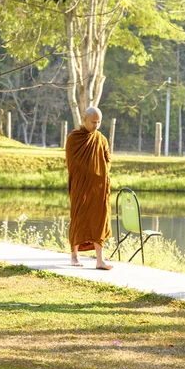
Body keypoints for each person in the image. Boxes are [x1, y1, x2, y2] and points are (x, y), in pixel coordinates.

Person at [65, 106, 113, 270]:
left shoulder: (101, 139)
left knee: (99, 220)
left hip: (99, 188)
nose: (96, 125)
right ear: (84, 119)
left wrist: (102, 177)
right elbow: (73, 163)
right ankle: (74, 255)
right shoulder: (74, 138)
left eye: (99, 122)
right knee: (79, 218)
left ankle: (100, 260)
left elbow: (107, 161)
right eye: (93, 122)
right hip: (81, 187)